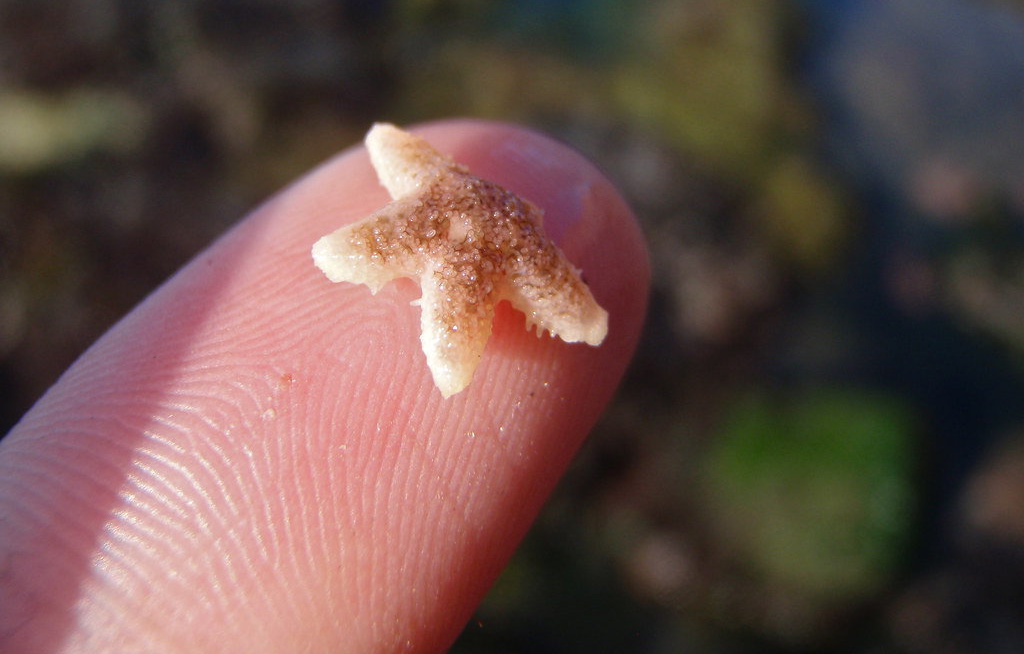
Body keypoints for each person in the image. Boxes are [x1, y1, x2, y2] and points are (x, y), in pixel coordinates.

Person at [0, 120, 648, 653]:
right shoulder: (441, 194)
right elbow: (355, 243)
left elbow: (580, 321)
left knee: (471, 342)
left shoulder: (449, 195)